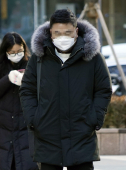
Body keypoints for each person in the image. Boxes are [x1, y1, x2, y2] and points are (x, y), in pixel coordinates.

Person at [19, 9, 112, 170]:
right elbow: (27, 90)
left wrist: (95, 117)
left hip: (81, 135)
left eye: (67, 32)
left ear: (76, 31)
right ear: (50, 33)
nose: (62, 37)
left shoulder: (92, 57)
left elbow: (103, 89)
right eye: (57, 33)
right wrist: (34, 118)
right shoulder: (39, 58)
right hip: (47, 135)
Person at [0, 32, 38, 170]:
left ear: (24, 48)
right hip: (3, 131)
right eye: (12, 52)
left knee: (27, 164)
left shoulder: (32, 64)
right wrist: (8, 79)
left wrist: (27, 82)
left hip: (26, 129)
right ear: (5, 51)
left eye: (19, 51)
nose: (16, 54)